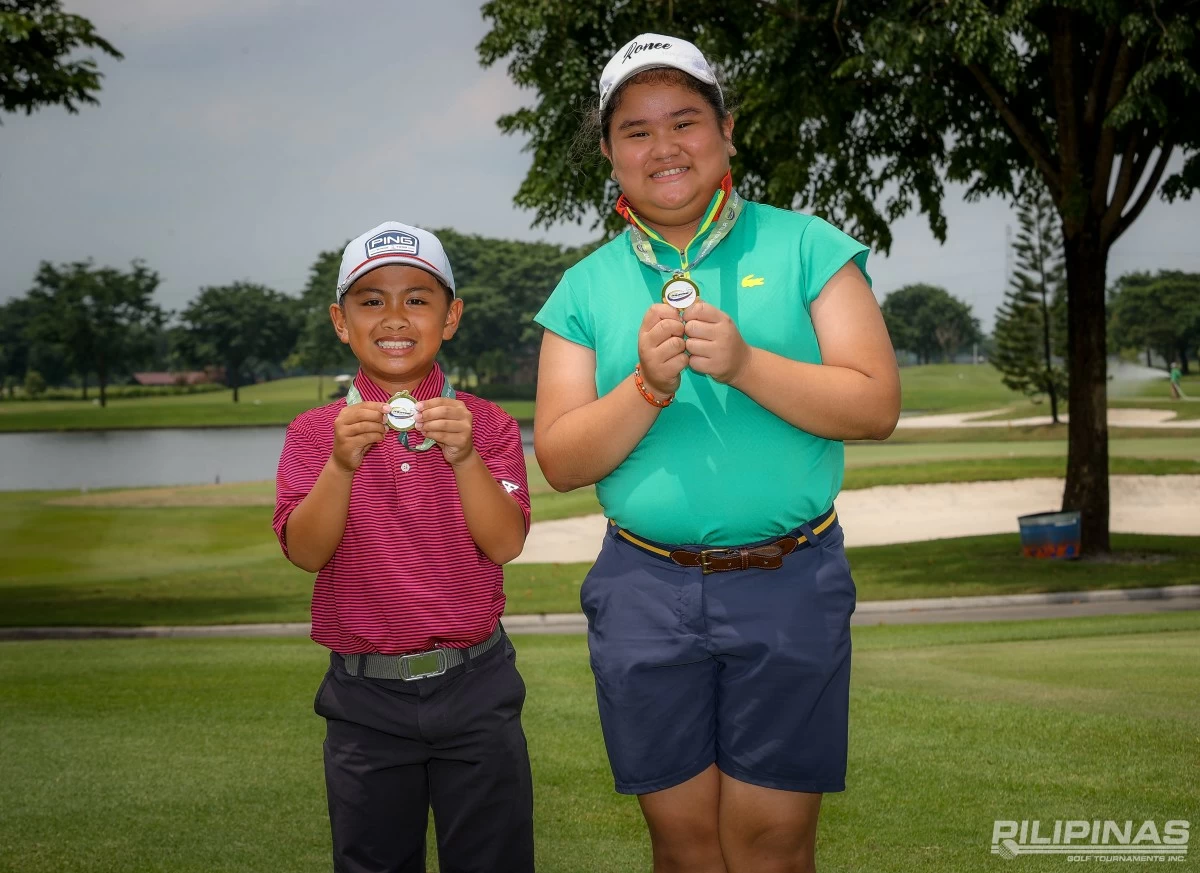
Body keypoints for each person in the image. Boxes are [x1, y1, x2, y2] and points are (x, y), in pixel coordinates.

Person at [533, 34, 900, 873]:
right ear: (608, 151)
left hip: (789, 578)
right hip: (644, 587)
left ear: (727, 130)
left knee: (772, 845)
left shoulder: (808, 247)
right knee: (687, 845)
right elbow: (559, 458)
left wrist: (743, 364)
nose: (663, 146)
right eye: (636, 129)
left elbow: (875, 403)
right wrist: (646, 390)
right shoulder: (582, 289)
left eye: (686, 120)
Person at [273, 221, 534, 873]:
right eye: (371, 300)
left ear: (451, 317)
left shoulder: (488, 423)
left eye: (418, 298)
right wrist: (340, 465)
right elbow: (306, 551)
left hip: (476, 685)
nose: (395, 316)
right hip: (364, 699)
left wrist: (466, 454)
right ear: (341, 320)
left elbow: (503, 541)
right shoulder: (314, 433)